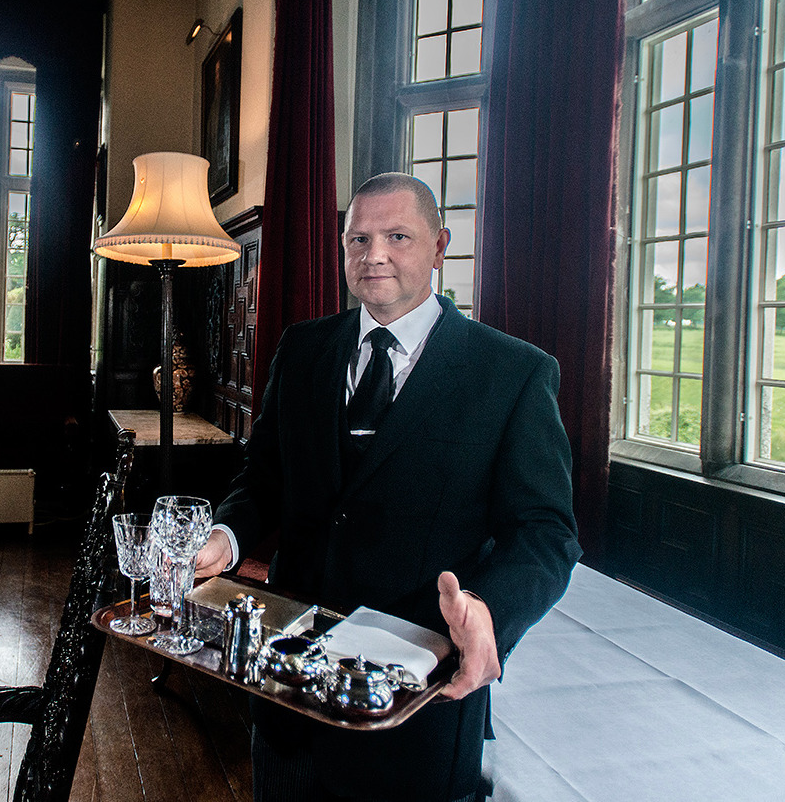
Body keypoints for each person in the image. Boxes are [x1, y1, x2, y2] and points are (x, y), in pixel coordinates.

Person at [194, 172, 581, 802]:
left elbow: (546, 535)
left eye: (397, 236)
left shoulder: (512, 373)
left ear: (439, 244)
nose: (374, 254)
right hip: (288, 686)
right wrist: (226, 538)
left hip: (417, 705)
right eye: (358, 239)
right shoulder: (303, 349)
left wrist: (490, 611)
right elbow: (264, 476)